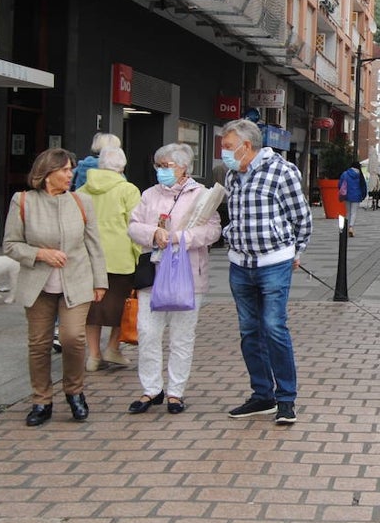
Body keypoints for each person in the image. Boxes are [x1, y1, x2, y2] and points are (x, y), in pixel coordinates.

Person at [3, 149, 108, 428]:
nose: (69, 175)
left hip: (77, 280)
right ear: (47, 173)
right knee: (39, 344)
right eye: (64, 170)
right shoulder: (23, 201)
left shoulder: (81, 201)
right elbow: (10, 245)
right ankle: (42, 400)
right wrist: (40, 254)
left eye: (71, 170)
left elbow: (94, 245)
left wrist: (100, 281)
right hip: (38, 285)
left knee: (73, 338)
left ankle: (75, 392)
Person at [220, 119, 312, 423]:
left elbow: (302, 218)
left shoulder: (281, 172)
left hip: (274, 263)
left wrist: (294, 252)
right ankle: (262, 395)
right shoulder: (233, 175)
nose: (224, 153)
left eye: (228, 147)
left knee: (274, 327)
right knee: (249, 331)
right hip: (240, 264)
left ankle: (286, 398)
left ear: (247, 146)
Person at [126, 143, 221, 415]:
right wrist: (152, 233)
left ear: (183, 168)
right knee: (147, 332)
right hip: (153, 273)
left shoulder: (201, 195)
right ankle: (150, 389)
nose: (161, 171)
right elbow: (133, 226)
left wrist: (182, 238)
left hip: (188, 273)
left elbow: (213, 231)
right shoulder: (148, 195)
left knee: (182, 335)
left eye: (167, 166)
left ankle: (175, 392)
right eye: (158, 166)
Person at [77, 146, 141, 372]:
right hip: (120, 258)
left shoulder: (82, 190)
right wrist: (139, 254)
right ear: (122, 167)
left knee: (92, 309)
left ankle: (93, 355)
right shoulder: (128, 190)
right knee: (123, 307)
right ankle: (113, 348)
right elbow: (134, 226)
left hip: (88, 258)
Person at [338, 160, 365, 238]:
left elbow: (340, 184)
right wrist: (363, 195)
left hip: (347, 195)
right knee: (354, 212)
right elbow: (363, 186)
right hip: (356, 196)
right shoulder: (360, 175)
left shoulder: (345, 174)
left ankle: (346, 228)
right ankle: (351, 227)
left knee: (348, 212)